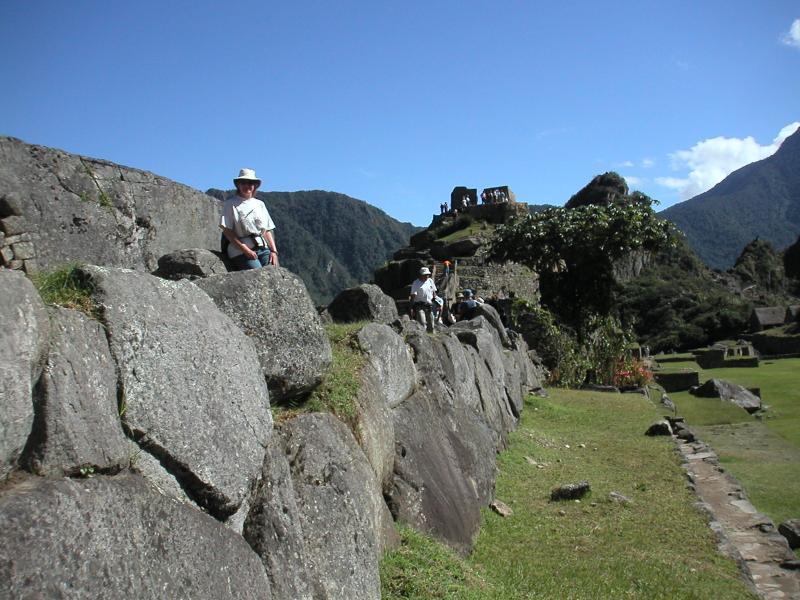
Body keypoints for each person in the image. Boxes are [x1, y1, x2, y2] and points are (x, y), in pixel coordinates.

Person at [220, 168, 279, 270]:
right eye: (243, 183)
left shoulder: (260, 204)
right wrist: (245, 250)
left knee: (274, 275)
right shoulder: (230, 204)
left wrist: (274, 251)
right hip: (240, 251)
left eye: (250, 183)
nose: (247, 186)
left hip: (263, 249)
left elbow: (267, 230)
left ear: (255, 185)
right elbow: (228, 232)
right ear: (238, 185)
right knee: (259, 276)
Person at [409, 266, 437, 332]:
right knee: (422, 323)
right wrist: (411, 308)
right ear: (421, 275)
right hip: (419, 306)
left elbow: (434, 292)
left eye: (428, 274)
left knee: (431, 325)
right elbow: (413, 296)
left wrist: (435, 301)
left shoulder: (430, 281)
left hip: (429, 305)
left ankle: (431, 338)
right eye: (425, 274)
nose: (427, 276)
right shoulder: (416, 283)